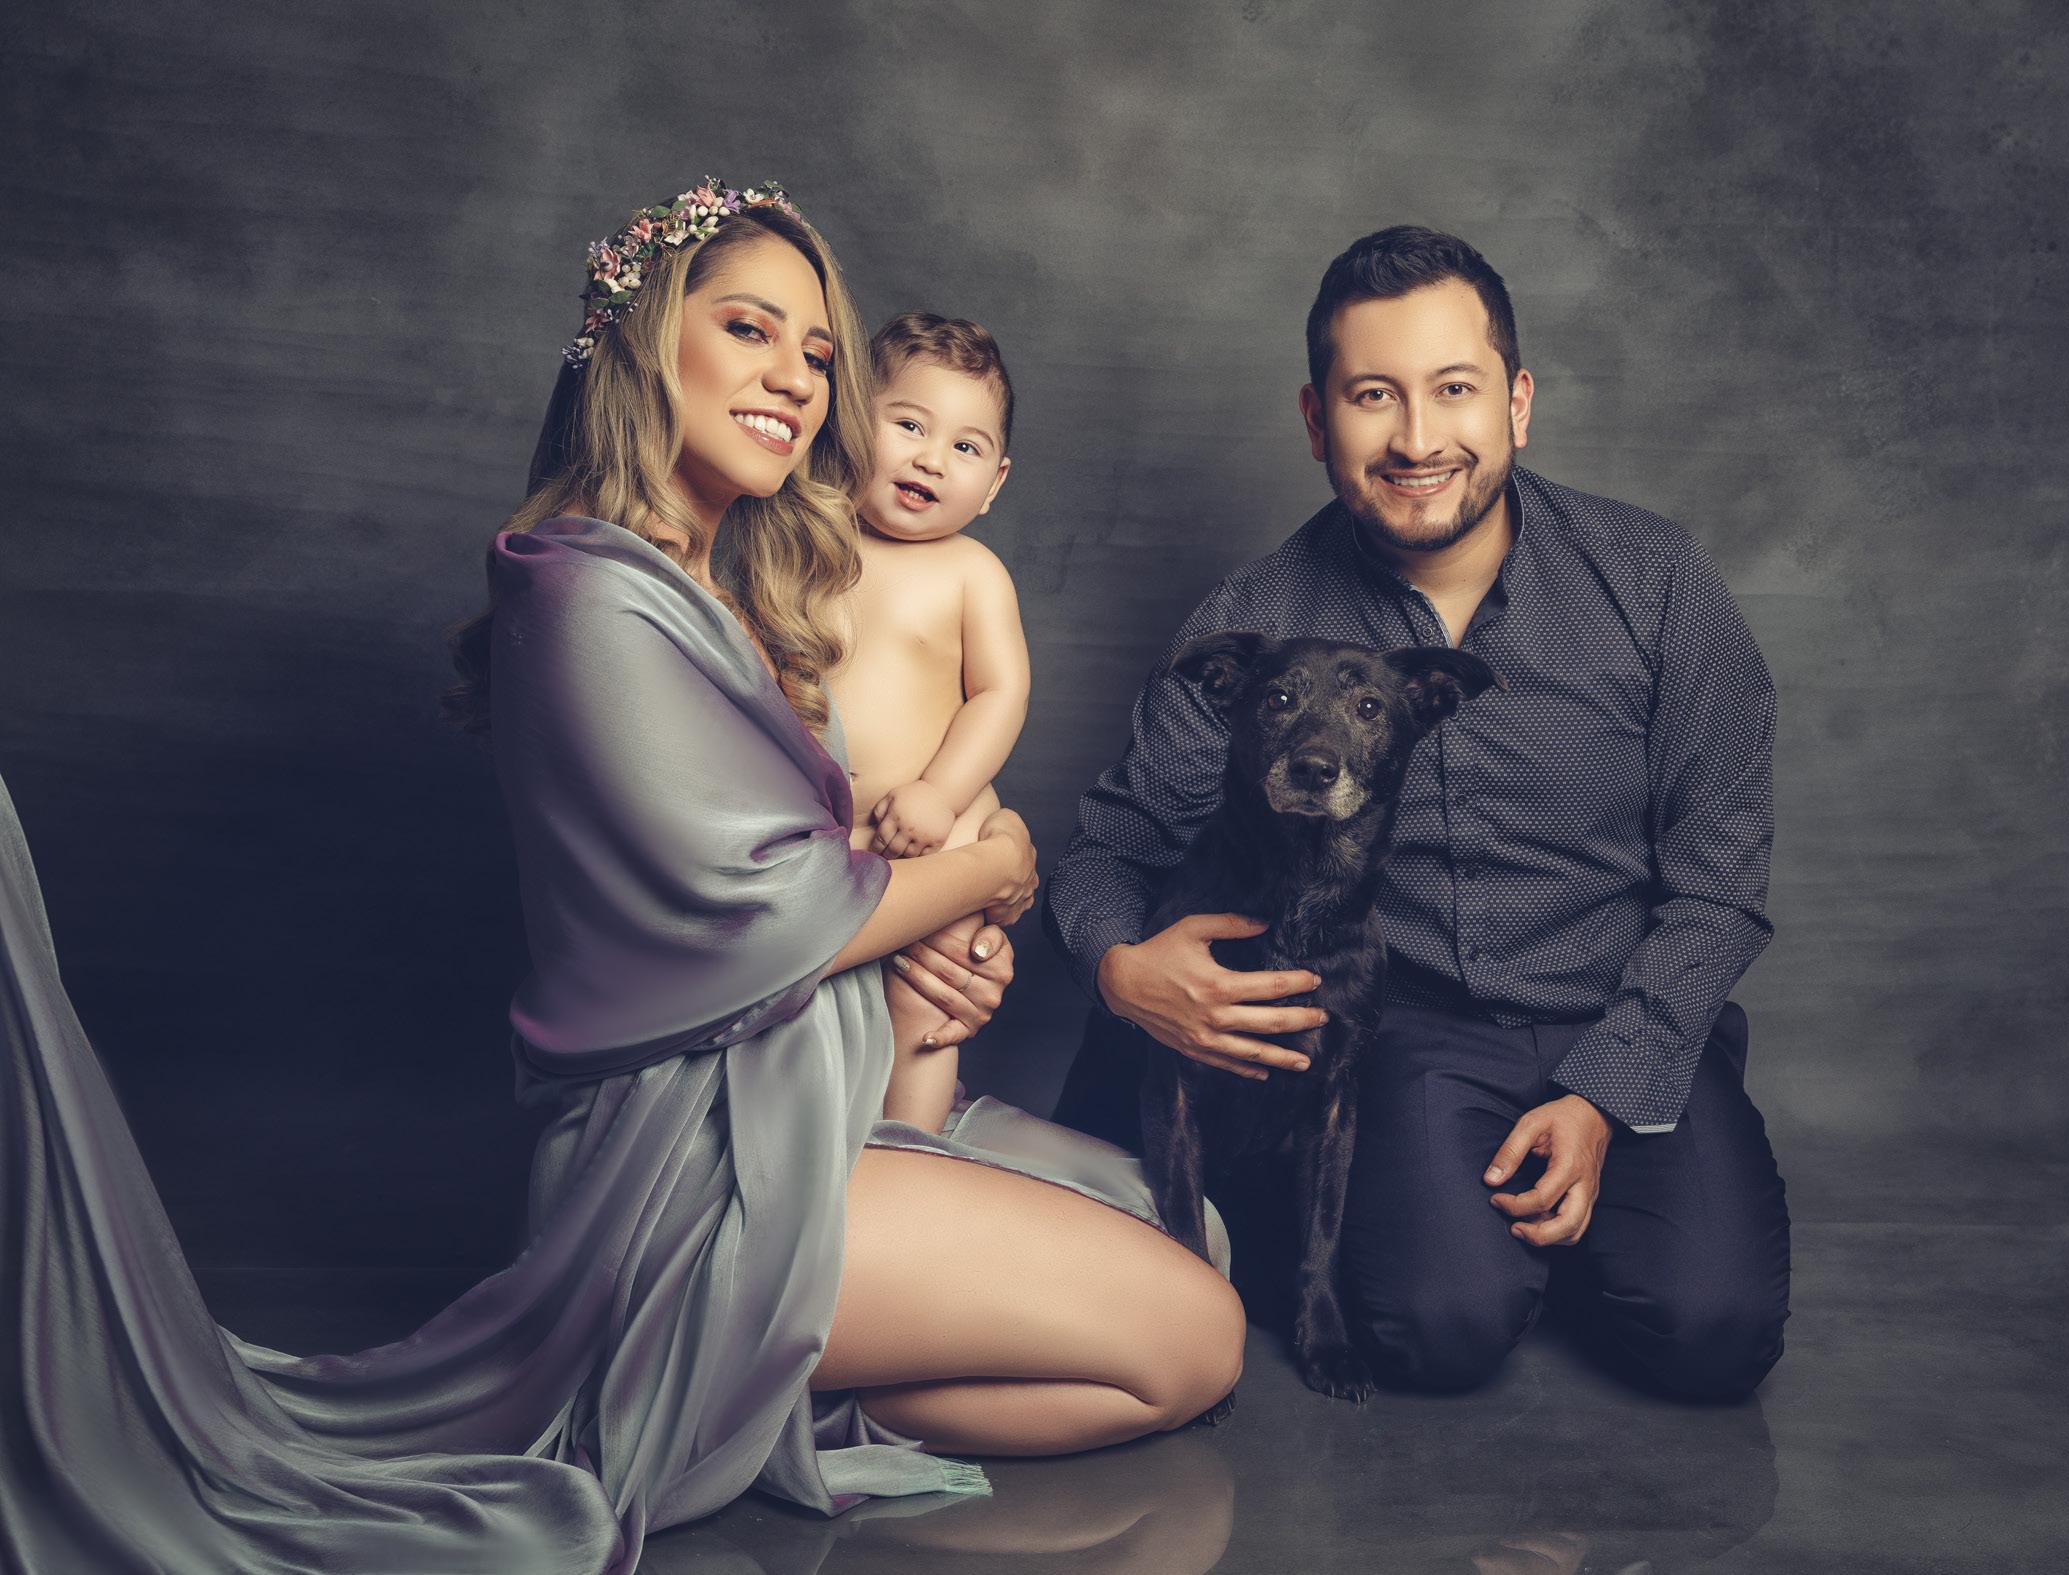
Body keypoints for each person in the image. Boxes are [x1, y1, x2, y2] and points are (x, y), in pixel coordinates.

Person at [0, 179, 1241, 1575]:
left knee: (1180, 1230)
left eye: (817, 352)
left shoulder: (732, 591)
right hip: (703, 1175)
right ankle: (738, 1378)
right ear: (647, 340)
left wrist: (941, 947)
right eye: (750, 329)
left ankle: (780, 1381)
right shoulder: (583, 589)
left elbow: (818, 869)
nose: (796, 377)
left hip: (814, 1104)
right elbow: (766, 920)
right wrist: (993, 866)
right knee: (1194, 1340)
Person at [1048, 224, 1790, 1402]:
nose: (1414, 439)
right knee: (1436, 1332)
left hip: (1625, 1014)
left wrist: (1605, 1090)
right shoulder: (1256, 615)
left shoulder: (1653, 584)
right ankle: (1469, 1240)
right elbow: (1110, 846)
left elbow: (1719, 884)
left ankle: (1581, 1225)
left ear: (1517, 403)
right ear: (1315, 420)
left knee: (1712, 1334)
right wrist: (1120, 970)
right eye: (1371, 396)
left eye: (1453, 389)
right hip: (1411, 1041)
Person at [835, 311, 1030, 1130]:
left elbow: (999, 693)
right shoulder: (806, 542)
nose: (930, 458)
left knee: (924, 998)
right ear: (849, 423)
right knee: (832, 1006)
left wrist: (940, 794)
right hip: (834, 835)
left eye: (965, 446)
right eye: (909, 425)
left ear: (994, 484)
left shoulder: (971, 572)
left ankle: (913, 1149)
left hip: (941, 827)